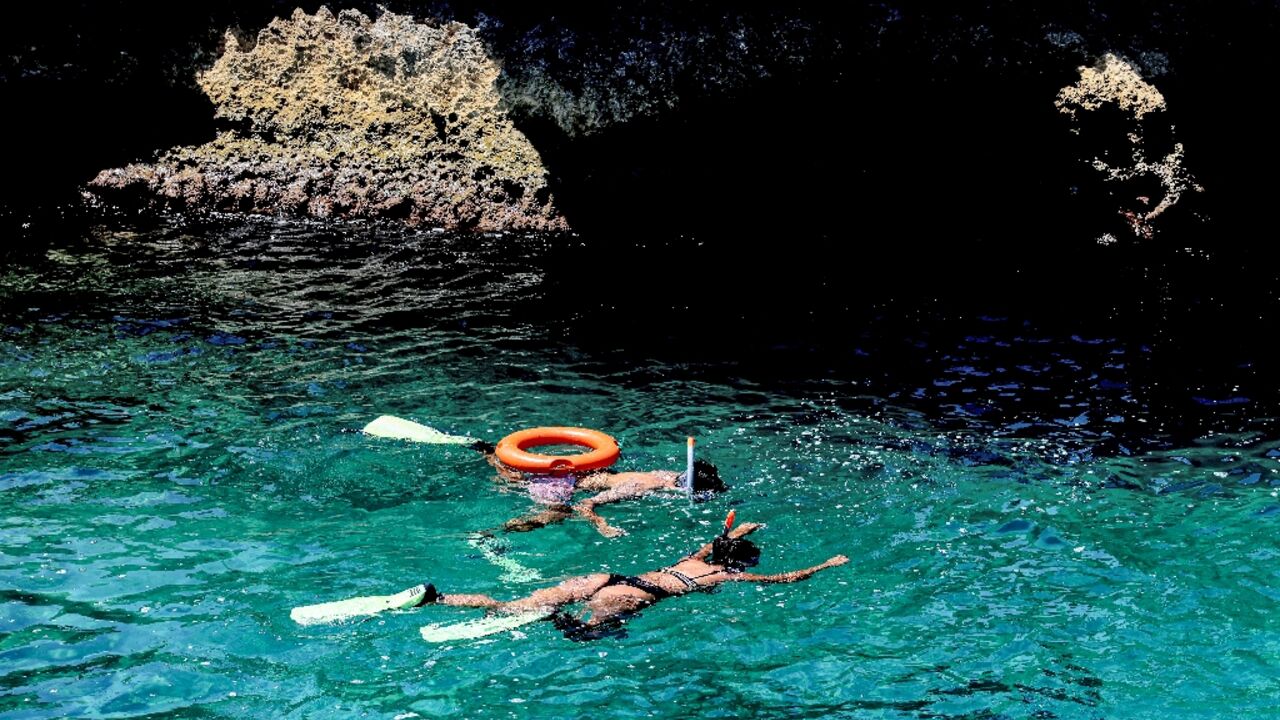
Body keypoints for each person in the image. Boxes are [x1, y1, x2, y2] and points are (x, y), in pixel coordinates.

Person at [415, 514, 849, 641]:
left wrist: (737, 531)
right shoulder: (726, 576)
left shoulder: (697, 557)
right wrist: (825, 566)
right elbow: (785, 580)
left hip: (604, 577)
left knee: (516, 605)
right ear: (740, 563)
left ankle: (438, 598)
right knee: (586, 633)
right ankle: (559, 622)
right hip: (624, 598)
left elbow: (710, 546)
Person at [471, 440, 728, 537]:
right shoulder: (639, 487)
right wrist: (602, 526)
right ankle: (494, 532)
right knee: (559, 515)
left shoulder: (670, 477)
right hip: (564, 484)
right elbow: (586, 504)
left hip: (579, 475)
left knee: (517, 478)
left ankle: (491, 454)